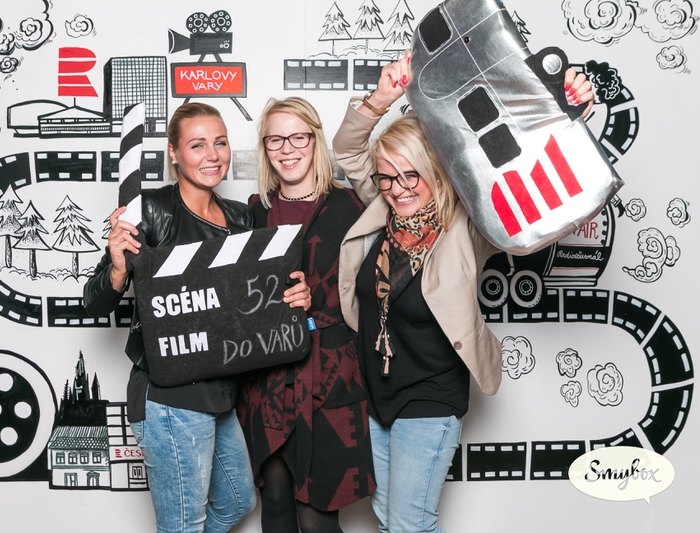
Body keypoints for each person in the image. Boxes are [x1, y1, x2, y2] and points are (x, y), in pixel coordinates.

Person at [332, 52, 595, 533]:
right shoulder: (382, 210)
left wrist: (567, 112)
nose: (397, 188)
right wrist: (381, 98)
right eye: (386, 176)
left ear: (435, 171)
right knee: (389, 521)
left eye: (410, 175)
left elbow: (538, 197)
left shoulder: (469, 225)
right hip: (375, 393)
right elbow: (348, 151)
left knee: (409, 523)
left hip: (430, 397)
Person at [83, 102, 310, 533]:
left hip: (221, 392)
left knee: (238, 501)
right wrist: (117, 268)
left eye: (220, 143)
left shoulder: (241, 217)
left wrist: (295, 296)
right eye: (197, 145)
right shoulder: (149, 210)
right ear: (173, 153)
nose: (212, 155)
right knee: (184, 525)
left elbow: (255, 300)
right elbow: (93, 303)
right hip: (169, 396)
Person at [237, 97, 375, 533]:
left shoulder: (352, 205)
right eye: (275, 139)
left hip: (331, 378)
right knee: (276, 504)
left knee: (317, 518)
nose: (287, 149)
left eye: (298, 137)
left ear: (315, 140)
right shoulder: (253, 212)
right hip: (267, 382)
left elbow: (376, 288)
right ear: (264, 147)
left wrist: (316, 302)